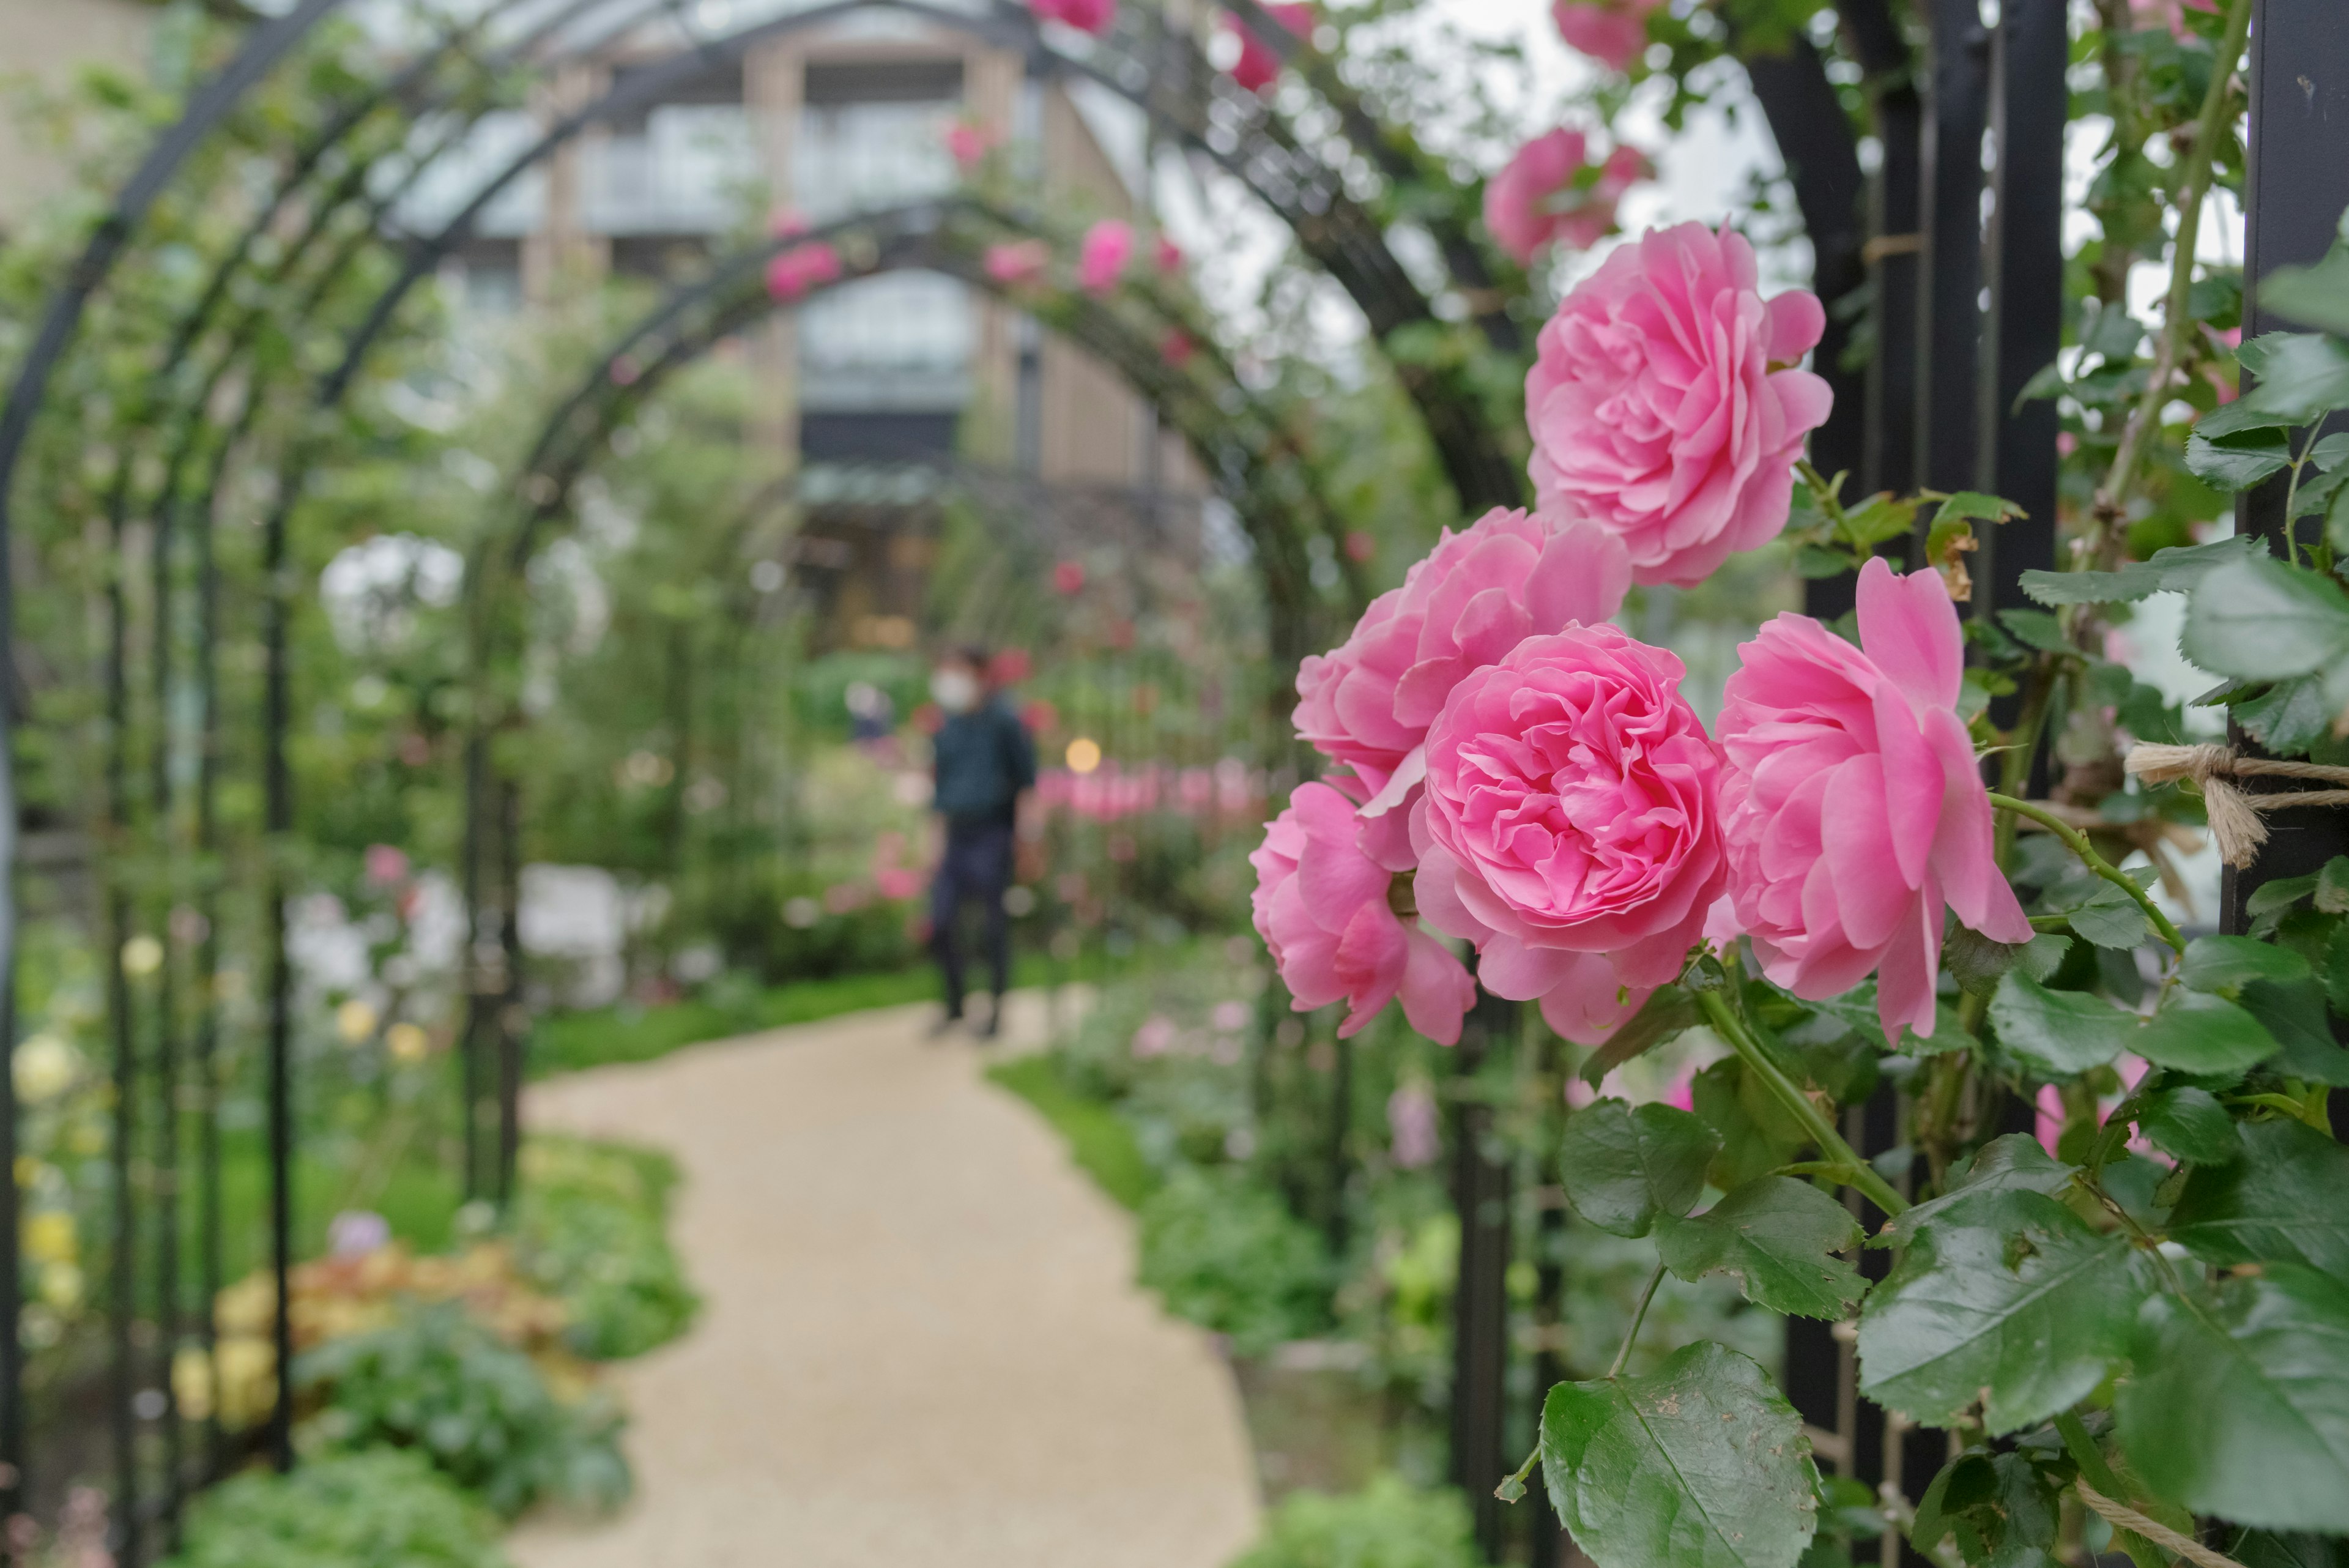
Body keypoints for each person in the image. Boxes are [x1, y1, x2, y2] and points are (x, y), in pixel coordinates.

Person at [925, 645, 1036, 1037]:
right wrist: (935, 844)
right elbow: (938, 789)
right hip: (956, 834)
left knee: (992, 927)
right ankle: (954, 1004)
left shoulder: (1005, 722)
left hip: (993, 832)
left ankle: (994, 1013)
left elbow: (1026, 784)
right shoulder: (947, 727)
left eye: (957, 670)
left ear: (980, 673)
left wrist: (1026, 840)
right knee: (941, 922)